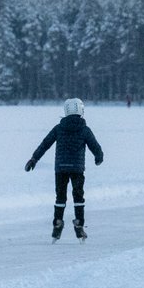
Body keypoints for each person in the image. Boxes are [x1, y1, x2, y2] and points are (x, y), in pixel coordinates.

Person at [25, 98, 104, 240]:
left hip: (60, 168)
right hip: (77, 169)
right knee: (78, 195)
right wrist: (99, 157)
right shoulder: (85, 130)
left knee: (60, 196)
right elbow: (95, 147)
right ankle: (79, 224)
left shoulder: (59, 128)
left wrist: (34, 158)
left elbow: (45, 144)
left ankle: (57, 223)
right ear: (81, 110)